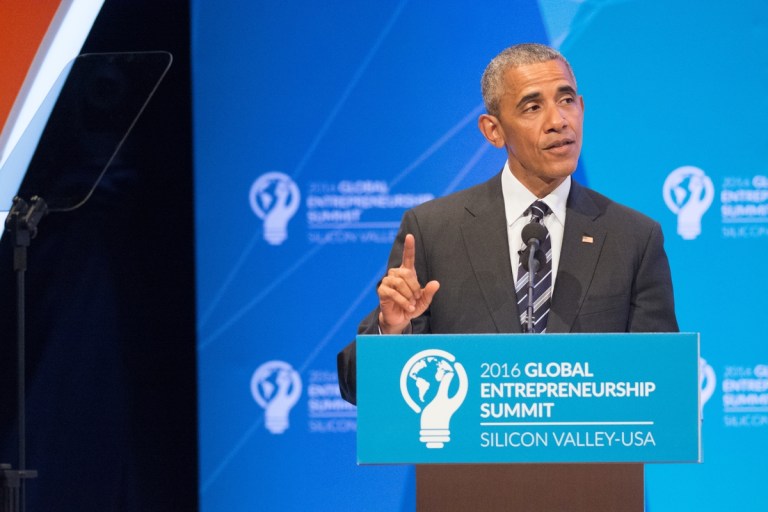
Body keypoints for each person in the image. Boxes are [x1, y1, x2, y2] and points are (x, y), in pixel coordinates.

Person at [337, 43, 678, 405]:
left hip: (591, 458)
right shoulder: (433, 231)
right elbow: (357, 385)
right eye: (533, 107)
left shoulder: (634, 238)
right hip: (469, 459)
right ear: (493, 131)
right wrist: (393, 330)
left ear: (582, 107)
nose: (558, 121)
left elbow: (664, 386)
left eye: (566, 101)